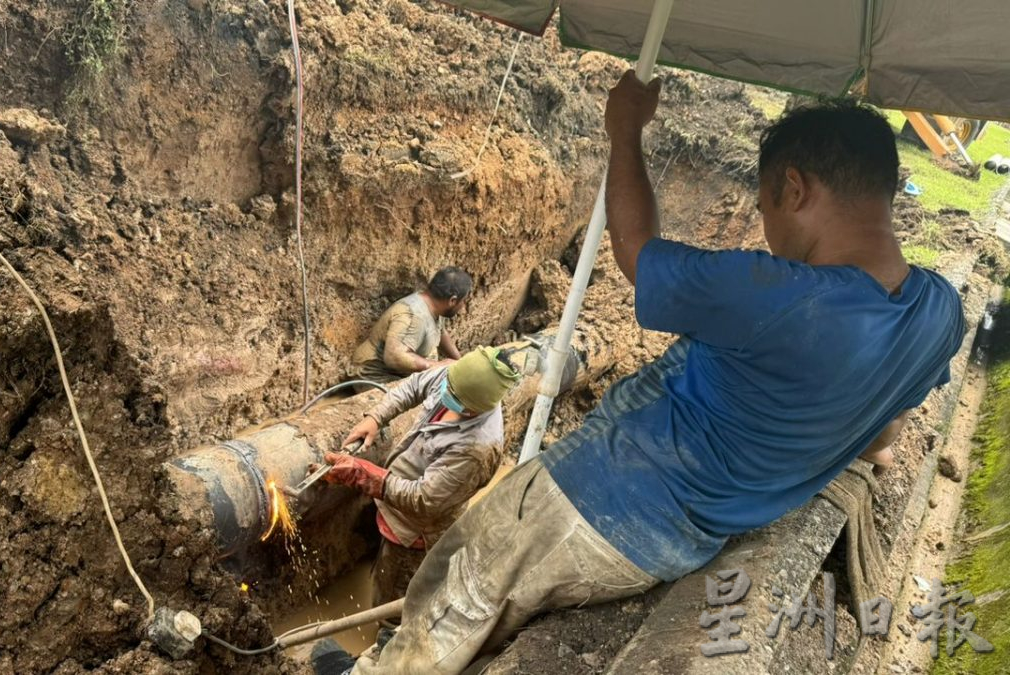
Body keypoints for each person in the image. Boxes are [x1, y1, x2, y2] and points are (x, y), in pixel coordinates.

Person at [317, 71, 966, 675]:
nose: (769, 229)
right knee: (469, 601)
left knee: (454, 592)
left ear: (793, 188)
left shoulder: (778, 292)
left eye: (767, 205)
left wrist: (624, 130)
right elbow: (883, 439)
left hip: (592, 496)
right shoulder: (939, 312)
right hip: (676, 541)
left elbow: (635, 251)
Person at [314, 347, 521, 619]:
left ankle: (384, 643)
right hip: (390, 504)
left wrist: (362, 475)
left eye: (455, 399)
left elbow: (424, 501)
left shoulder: (475, 450)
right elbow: (412, 386)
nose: (446, 396)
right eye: (448, 386)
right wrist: (375, 417)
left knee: (392, 604)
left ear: (476, 409)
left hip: (414, 532)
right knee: (380, 567)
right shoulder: (454, 378)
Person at [350, 267, 471, 384]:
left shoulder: (435, 306)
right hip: (374, 376)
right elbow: (393, 357)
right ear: (452, 301)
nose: (463, 305)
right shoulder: (414, 316)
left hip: (399, 374)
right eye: (463, 300)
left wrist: (460, 362)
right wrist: (436, 366)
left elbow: (441, 332)